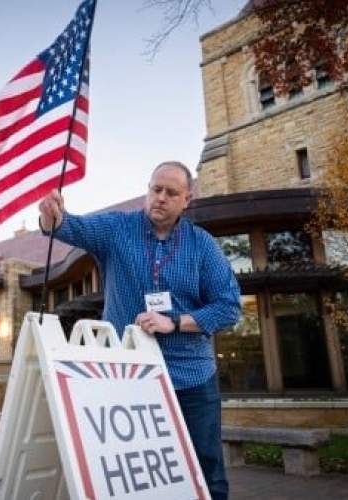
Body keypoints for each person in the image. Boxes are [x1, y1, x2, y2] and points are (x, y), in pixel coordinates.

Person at [38, 161, 240, 500]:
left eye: (171, 192)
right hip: (127, 378)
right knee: (131, 475)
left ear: (186, 199)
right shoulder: (118, 229)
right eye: (155, 189)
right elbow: (68, 226)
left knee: (206, 470)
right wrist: (51, 216)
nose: (160, 197)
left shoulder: (203, 245)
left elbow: (229, 306)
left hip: (190, 377)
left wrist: (175, 321)